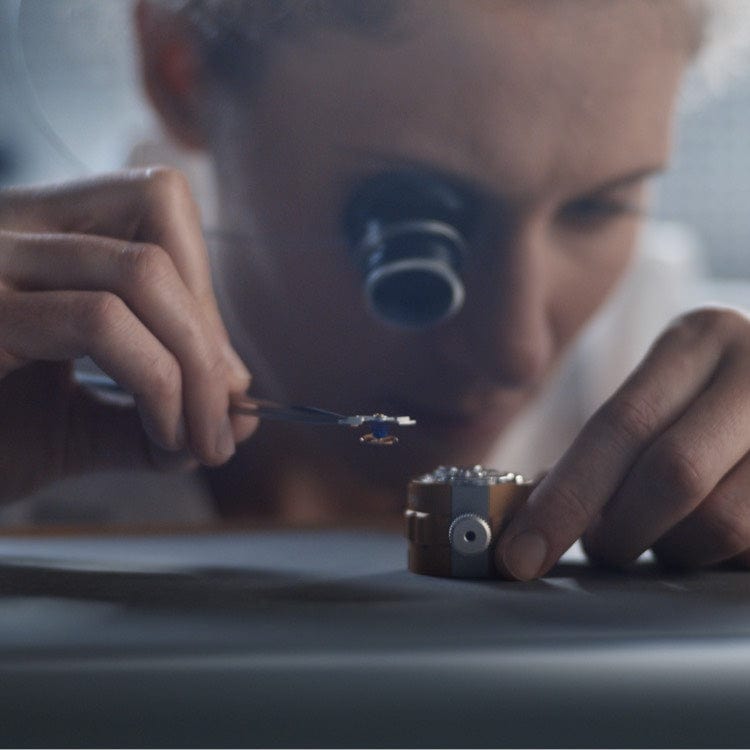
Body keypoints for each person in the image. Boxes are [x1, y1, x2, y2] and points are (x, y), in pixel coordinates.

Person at [0, 0, 749, 581]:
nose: (514, 353)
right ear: (182, 73)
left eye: (596, 208)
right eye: (410, 229)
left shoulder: (684, 371)